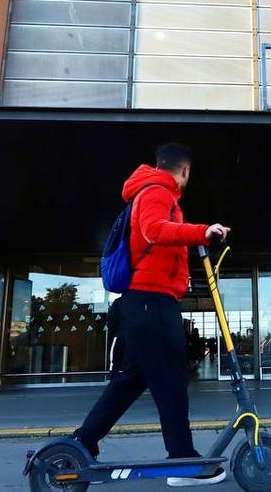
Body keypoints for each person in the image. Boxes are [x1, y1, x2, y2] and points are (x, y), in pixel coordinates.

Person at [74, 142, 231, 487]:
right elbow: (154, 230)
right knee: (172, 381)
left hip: (145, 302)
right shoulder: (157, 191)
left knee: (132, 381)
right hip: (150, 302)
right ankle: (182, 461)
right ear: (185, 170)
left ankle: (79, 445)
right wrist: (201, 231)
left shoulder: (155, 192)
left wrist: (194, 235)